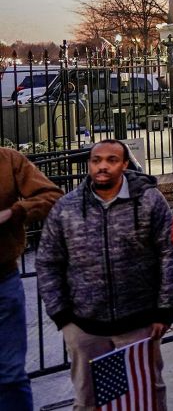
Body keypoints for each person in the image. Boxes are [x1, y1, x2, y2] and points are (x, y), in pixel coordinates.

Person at [37, 140, 173, 411]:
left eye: (112, 160)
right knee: (89, 400)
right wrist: (63, 317)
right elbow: (47, 262)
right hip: (85, 326)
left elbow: (169, 254)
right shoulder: (67, 207)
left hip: (139, 323)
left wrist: (164, 310)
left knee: (146, 396)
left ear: (125, 164)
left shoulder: (149, 201)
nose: (103, 166)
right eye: (96, 160)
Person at [0, 147, 62, 411]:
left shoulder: (8, 160)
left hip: (2, 282)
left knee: (10, 374)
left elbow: (52, 196)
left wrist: (15, 212)